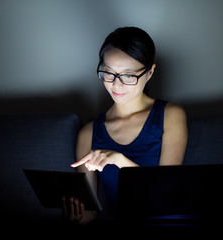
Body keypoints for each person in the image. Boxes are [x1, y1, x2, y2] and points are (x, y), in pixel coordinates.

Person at [63, 26, 188, 224]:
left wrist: (120, 161)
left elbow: (166, 195)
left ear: (150, 72)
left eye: (129, 75)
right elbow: (90, 212)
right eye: (109, 73)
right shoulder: (88, 133)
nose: (116, 84)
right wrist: (77, 216)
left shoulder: (170, 115)